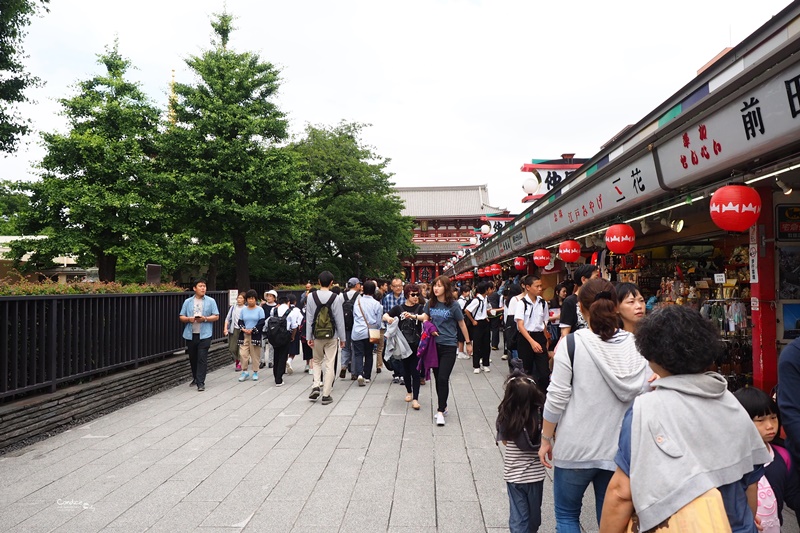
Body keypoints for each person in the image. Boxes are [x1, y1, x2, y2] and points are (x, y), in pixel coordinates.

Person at [599, 305, 770, 533]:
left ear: (650, 353)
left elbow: (620, 492)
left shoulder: (645, 410)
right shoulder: (731, 403)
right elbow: (750, 482)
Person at [539, 278, 650, 532]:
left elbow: (556, 396)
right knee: (611, 522)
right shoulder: (638, 345)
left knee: (567, 517)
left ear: (580, 308)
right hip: (620, 451)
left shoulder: (572, 344)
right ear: (615, 305)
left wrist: (546, 437)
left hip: (575, 447)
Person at [734, 386, 800, 531]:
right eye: (760, 420)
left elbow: (793, 495)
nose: (770, 426)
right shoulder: (730, 461)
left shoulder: (783, 455)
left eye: (773, 418)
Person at [497, 369, 547, 533]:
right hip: (535, 476)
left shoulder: (506, 416)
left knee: (519, 516)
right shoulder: (540, 418)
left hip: (514, 475)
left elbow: (504, 442)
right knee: (534, 517)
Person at [420, 275, 472, 427]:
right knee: (438, 378)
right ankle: (444, 405)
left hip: (449, 345)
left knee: (443, 377)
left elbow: (462, 324)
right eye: (434, 285)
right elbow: (426, 319)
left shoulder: (454, 305)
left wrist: (468, 343)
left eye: (439, 286)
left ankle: (441, 410)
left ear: (446, 288)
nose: (436, 288)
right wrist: (429, 327)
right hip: (433, 346)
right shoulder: (431, 303)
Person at [305, 271, 346, 405]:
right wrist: (343, 338)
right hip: (332, 335)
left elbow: (309, 317)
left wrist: (308, 335)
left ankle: (316, 385)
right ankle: (327, 394)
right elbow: (339, 319)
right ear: (331, 283)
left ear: (318, 281)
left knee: (316, 361)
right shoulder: (336, 297)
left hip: (316, 334)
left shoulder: (311, 296)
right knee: (330, 363)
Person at [384, 283, 425, 410]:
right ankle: (409, 391)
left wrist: (413, 316)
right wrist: (389, 319)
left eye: (417, 294)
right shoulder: (399, 308)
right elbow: (385, 315)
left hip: (416, 344)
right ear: (407, 295)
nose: (415, 297)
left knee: (416, 371)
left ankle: (416, 398)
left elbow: (425, 317)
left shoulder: (420, 308)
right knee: (406, 371)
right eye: (413, 294)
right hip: (403, 345)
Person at [179, 279, 220, 392]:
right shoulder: (188, 302)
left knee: (202, 358)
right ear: (194, 288)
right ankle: (196, 378)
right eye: (200, 286)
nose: (203, 288)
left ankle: (201, 382)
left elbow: (216, 316)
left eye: (204, 286)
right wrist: (189, 319)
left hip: (205, 334)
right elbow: (181, 316)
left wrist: (205, 319)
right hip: (191, 334)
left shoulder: (211, 301)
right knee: (193, 358)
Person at [515, 275, 549, 390]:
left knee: (544, 373)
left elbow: (544, 322)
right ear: (528, 287)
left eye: (541, 286)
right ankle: (526, 398)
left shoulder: (543, 303)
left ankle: (542, 399)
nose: (540, 288)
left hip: (539, 337)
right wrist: (532, 342)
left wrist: (546, 340)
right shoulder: (521, 303)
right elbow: (520, 325)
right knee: (526, 372)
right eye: (537, 286)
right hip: (525, 338)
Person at [352, 280, 383, 386]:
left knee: (358, 354)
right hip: (371, 332)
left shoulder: (357, 302)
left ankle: (359, 373)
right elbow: (379, 321)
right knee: (369, 353)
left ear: (363, 289)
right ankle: (367, 376)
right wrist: (377, 328)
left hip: (357, 331)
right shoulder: (377, 304)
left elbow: (354, 316)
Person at [560, 264, 600, 336]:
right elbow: (565, 332)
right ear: (583, 279)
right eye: (596, 278)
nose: (598, 281)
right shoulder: (570, 302)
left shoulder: (597, 299)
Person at [237, 289, 266, 383]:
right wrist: (243, 328)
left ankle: (255, 371)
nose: (250, 300)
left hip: (255, 335)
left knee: (255, 354)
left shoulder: (260, 310)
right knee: (243, 353)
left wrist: (253, 329)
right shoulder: (243, 310)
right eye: (249, 299)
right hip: (245, 334)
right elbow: (240, 321)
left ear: (255, 299)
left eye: (252, 299)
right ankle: (244, 371)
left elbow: (261, 322)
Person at [383, 277, 406, 384]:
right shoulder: (387, 298)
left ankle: (402, 373)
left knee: (402, 352)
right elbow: (384, 312)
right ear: (391, 287)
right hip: (391, 329)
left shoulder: (406, 297)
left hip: (403, 329)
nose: (398, 288)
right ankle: (396, 373)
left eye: (400, 286)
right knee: (392, 353)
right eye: (395, 286)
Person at [465, 280, 492, 374]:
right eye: (489, 288)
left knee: (486, 344)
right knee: (477, 344)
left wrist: (486, 317)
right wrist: (473, 321)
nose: (490, 290)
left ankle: (485, 364)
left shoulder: (486, 298)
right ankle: (476, 365)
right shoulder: (476, 300)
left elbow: (486, 309)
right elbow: (467, 310)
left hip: (485, 322)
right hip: (477, 324)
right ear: (485, 290)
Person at [339, 278, 361, 379]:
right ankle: (353, 371)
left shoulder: (341, 296)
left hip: (344, 325)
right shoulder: (359, 297)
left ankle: (343, 366)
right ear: (356, 285)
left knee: (345, 347)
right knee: (355, 348)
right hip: (355, 325)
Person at [223, 292, 246, 372]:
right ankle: (237, 359)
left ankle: (240, 362)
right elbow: (227, 318)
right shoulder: (233, 307)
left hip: (242, 330)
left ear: (244, 300)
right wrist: (225, 328)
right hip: (233, 329)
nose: (239, 300)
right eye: (238, 298)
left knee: (241, 347)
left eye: (241, 298)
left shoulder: (245, 308)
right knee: (232, 348)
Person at [503, 283, 524, 364]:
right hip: (517, 327)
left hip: (510, 327)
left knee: (514, 347)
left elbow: (506, 317)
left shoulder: (507, 301)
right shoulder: (515, 300)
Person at [284, 293, 304, 375]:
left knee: (284, 350)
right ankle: (289, 361)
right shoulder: (297, 310)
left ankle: (283, 365)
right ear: (295, 302)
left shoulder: (282, 309)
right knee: (293, 350)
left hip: (284, 331)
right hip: (294, 332)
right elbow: (300, 321)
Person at [261, 290, 278, 369]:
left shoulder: (277, 307)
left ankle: (271, 361)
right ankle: (262, 360)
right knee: (262, 344)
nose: (268, 298)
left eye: (270, 296)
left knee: (272, 345)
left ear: (274, 298)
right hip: (263, 327)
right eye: (268, 296)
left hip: (272, 327)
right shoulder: (263, 306)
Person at [547, 283, 567, 352]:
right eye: (563, 291)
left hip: (563, 327)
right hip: (553, 328)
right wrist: (556, 317)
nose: (565, 293)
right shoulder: (550, 303)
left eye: (566, 292)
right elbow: (545, 318)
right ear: (557, 292)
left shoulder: (566, 302)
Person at [457, 285, 472, 359]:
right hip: (462, 320)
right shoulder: (461, 301)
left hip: (464, 320)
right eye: (468, 291)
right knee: (461, 336)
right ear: (463, 292)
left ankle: (462, 351)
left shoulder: (464, 300)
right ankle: (460, 351)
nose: (469, 293)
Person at [488, 282, 503, 351]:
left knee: (488, 329)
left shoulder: (485, 295)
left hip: (488, 314)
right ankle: (494, 345)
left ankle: (488, 342)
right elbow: (499, 304)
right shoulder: (496, 295)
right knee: (495, 329)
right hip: (496, 313)